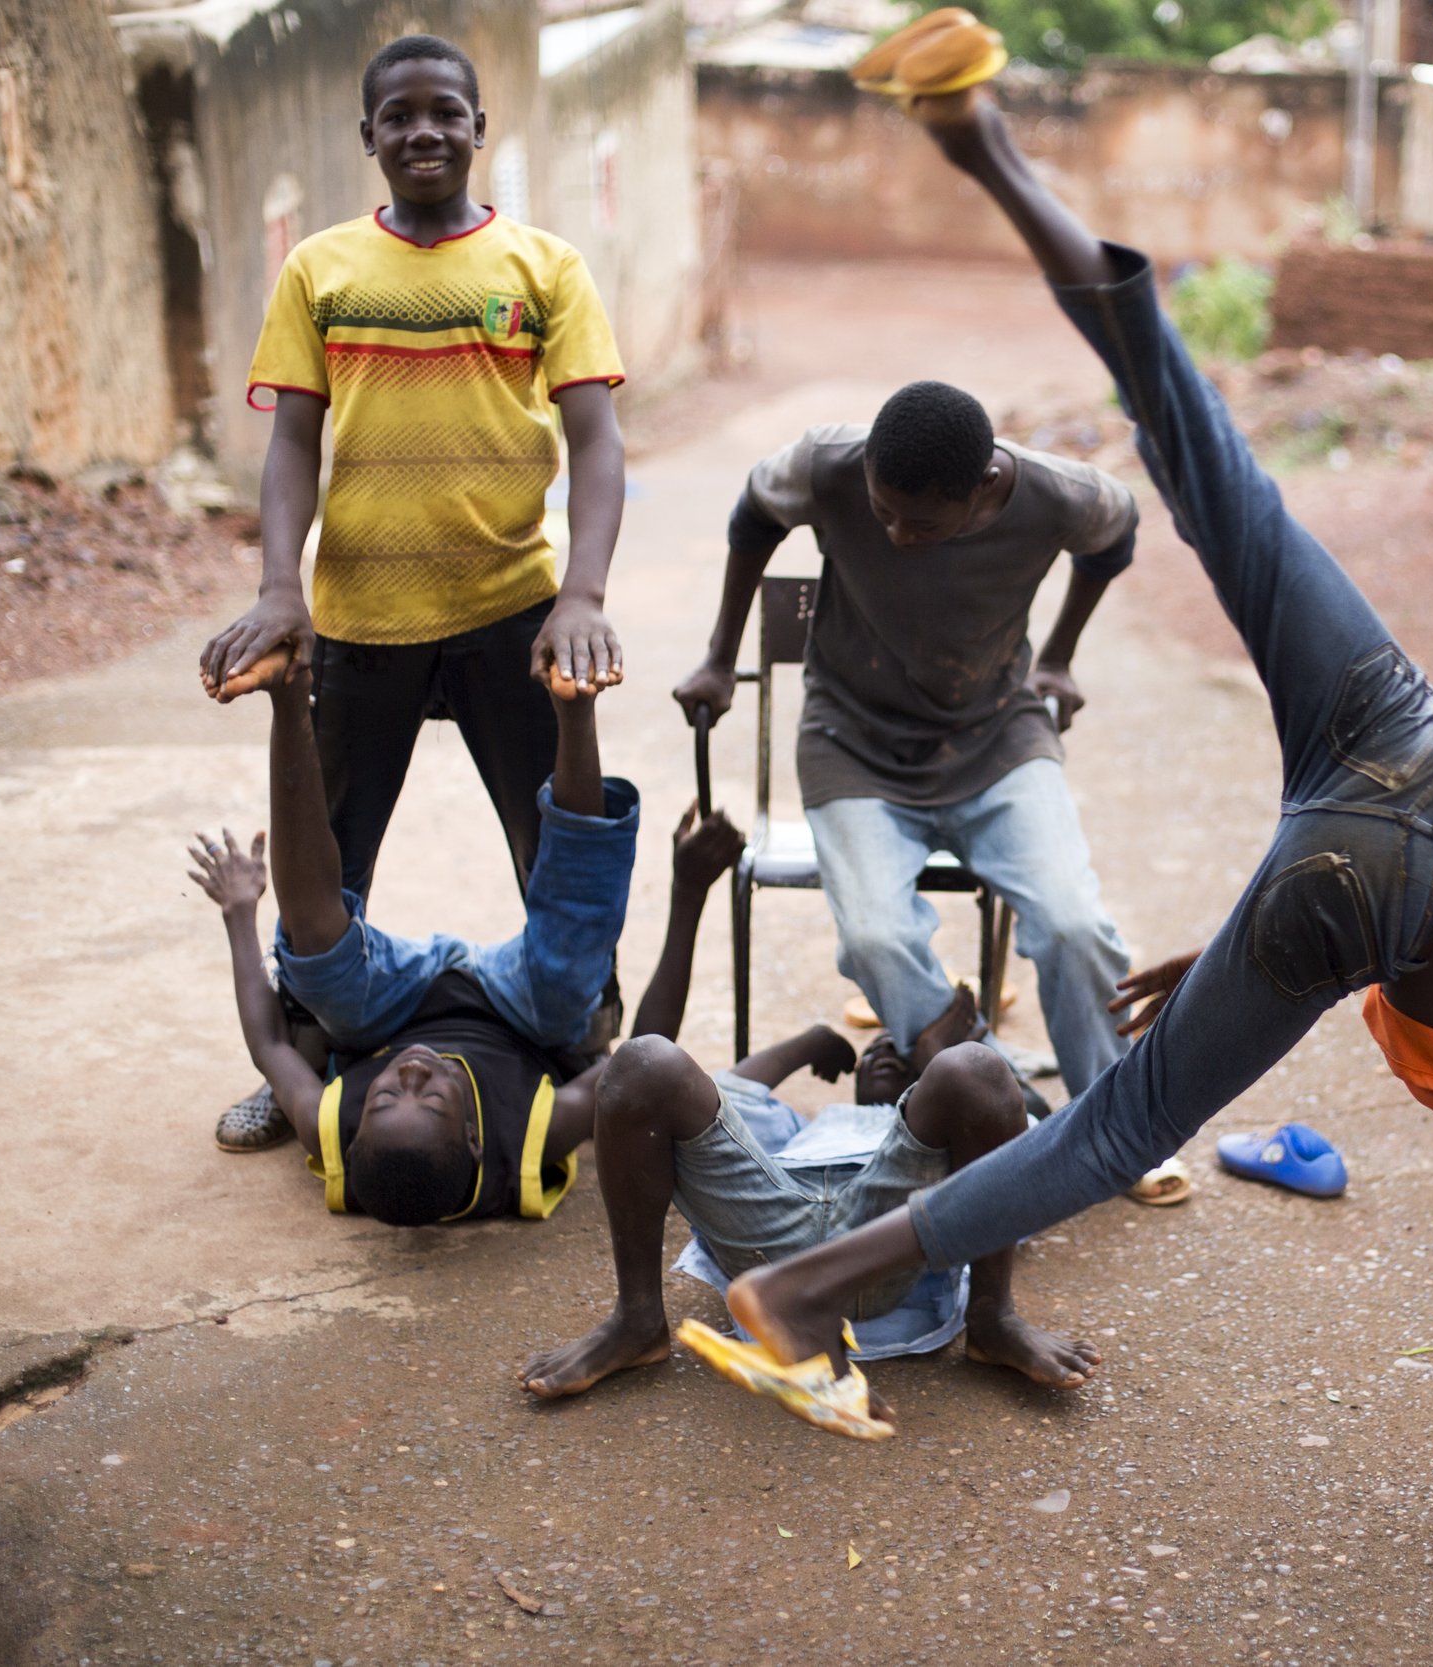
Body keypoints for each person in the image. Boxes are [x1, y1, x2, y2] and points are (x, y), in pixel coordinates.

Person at [708, 67, 1433, 1628]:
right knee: (1112, 1130)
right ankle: (797, 1290)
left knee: (1210, 472)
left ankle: (993, 153)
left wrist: (1253, 947)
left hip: (1416, 741)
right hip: (1365, 886)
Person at [199, 32, 631, 1152]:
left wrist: (580, 592)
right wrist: (276, 589)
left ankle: (591, 1046)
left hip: (511, 610)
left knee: (559, 843)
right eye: (399, 116)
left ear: (481, 129)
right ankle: (295, 1048)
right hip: (361, 618)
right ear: (369, 137)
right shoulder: (322, 270)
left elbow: (596, 437)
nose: (424, 131)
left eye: (447, 111)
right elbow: (293, 438)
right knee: (326, 859)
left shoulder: (543, 267)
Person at [670, 380, 1140, 1101]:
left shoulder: (1059, 494)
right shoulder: (828, 462)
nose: (895, 535)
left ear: (982, 488)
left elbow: (1115, 537)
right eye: (881, 511)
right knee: (875, 940)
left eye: (921, 525)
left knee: (1074, 923)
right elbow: (754, 515)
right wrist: (717, 654)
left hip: (996, 737)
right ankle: (987, 1085)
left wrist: (1058, 655)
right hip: (851, 740)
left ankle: (1114, 1117)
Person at [186, 657, 736, 1227]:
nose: (410, 1074)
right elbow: (645, 1052)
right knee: (569, 973)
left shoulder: (332, 1127)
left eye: (383, 1098)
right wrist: (688, 892)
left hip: (385, 1013)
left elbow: (271, 1048)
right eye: (432, 1099)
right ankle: (574, 707)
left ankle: (289, 699)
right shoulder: (527, 1135)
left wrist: (239, 911)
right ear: (476, 1138)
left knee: (317, 963)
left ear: (353, 1140)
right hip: (525, 1020)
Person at [514, 1026, 1099, 1407]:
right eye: (877, 1052)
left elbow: (1020, 1157)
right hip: (769, 1230)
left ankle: (993, 1318)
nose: (885, 1058)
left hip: (892, 1234)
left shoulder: (950, 1116)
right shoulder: (788, 1121)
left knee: (975, 1067)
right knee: (644, 1062)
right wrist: (811, 1042)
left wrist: (942, 1053)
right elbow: (733, 1089)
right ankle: (637, 1321)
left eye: (902, 1055)